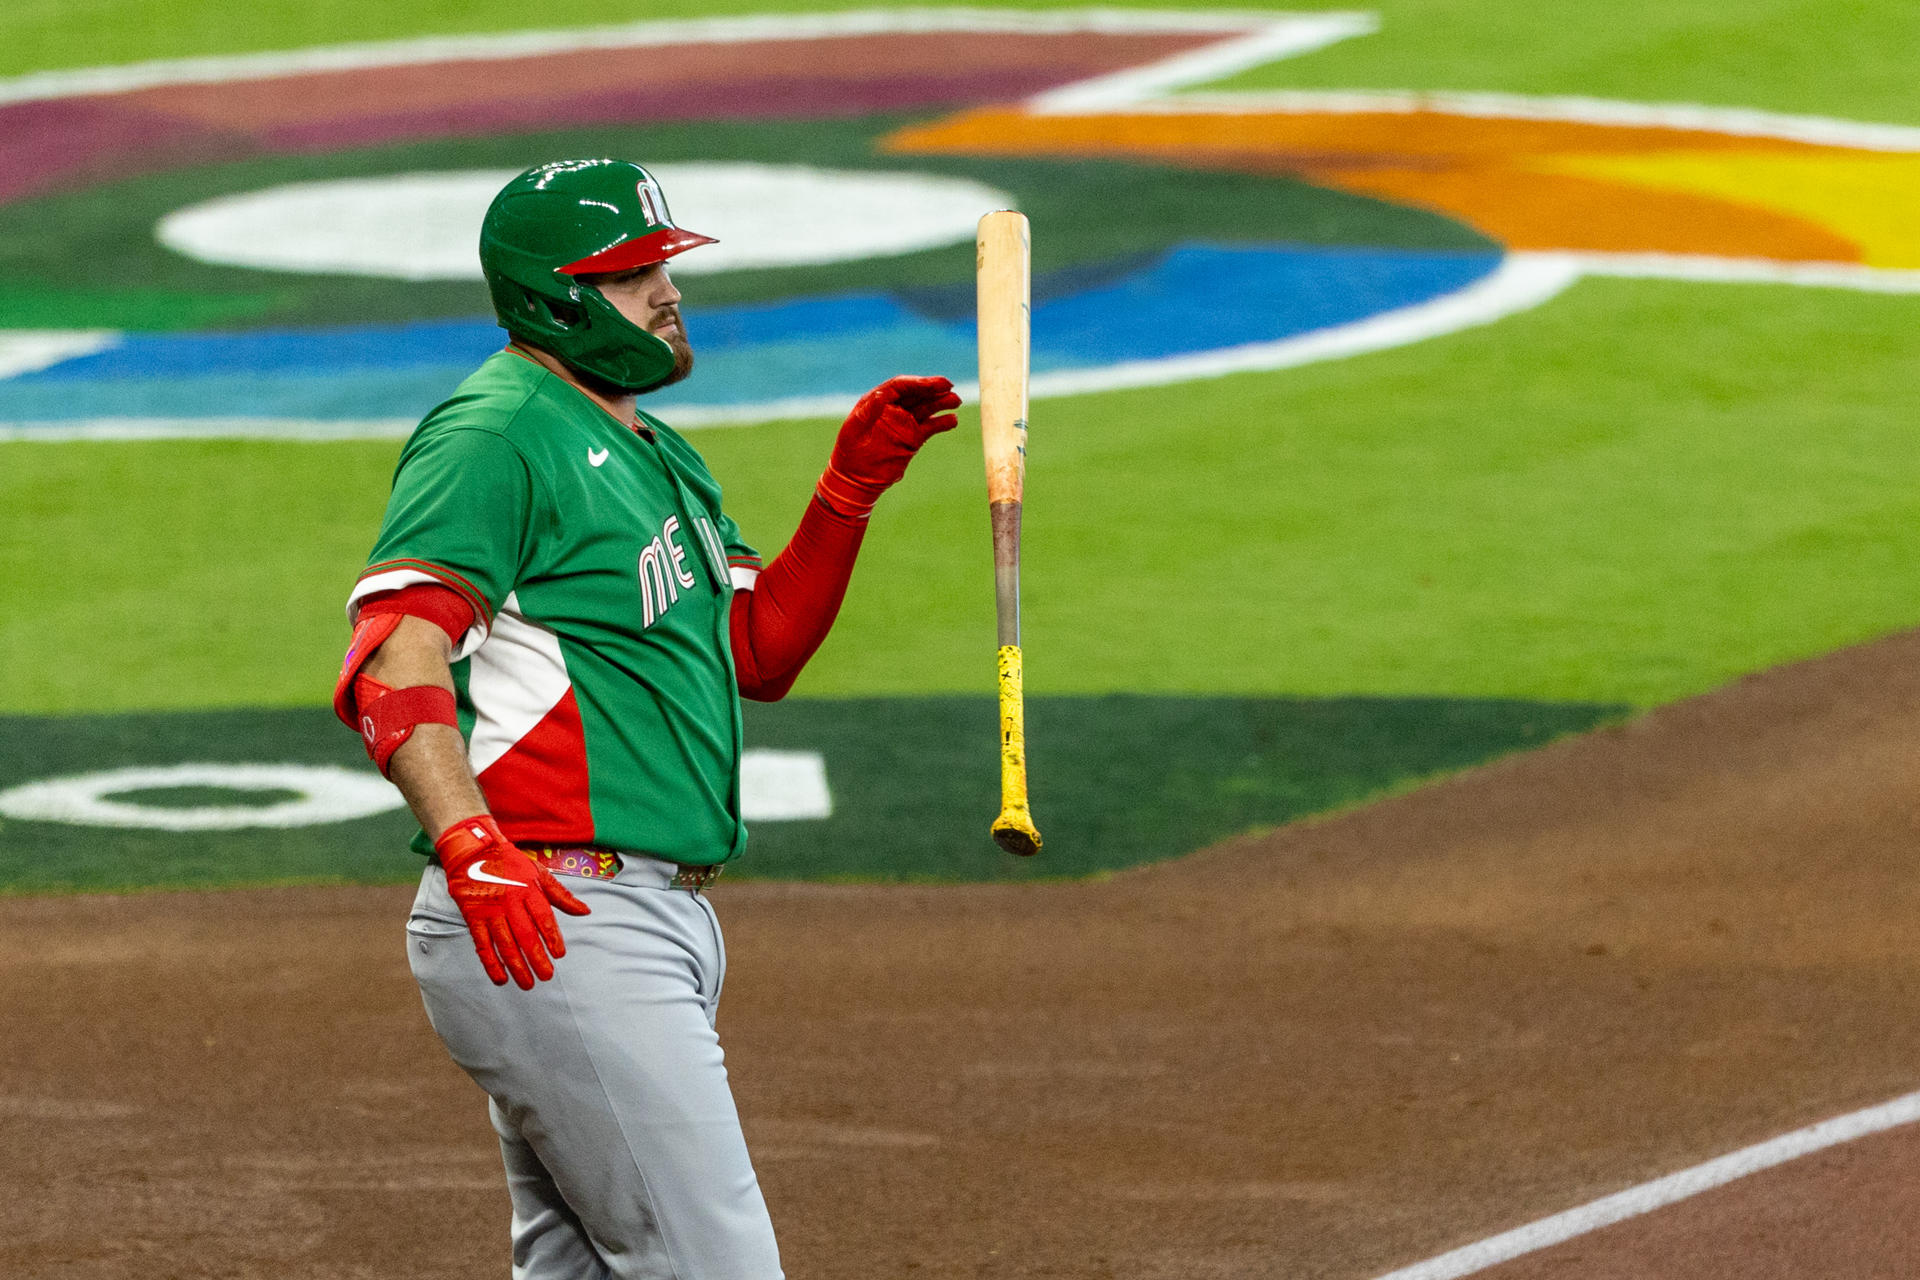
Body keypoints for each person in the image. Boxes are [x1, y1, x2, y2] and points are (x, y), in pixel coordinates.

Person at [332, 158, 960, 1279]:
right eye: (632, 275)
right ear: (555, 297)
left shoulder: (656, 451)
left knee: (581, 1265)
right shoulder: (496, 433)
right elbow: (395, 654)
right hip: (558, 914)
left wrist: (846, 494)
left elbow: (755, 649)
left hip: (631, 916)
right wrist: (471, 845)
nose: (668, 292)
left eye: (662, 265)